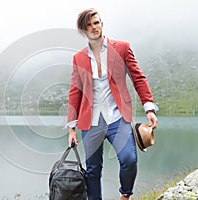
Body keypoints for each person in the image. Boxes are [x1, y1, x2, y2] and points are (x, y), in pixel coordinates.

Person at [66, 8, 159, 200]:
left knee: (129, 159)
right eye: (89, 25)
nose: (94, 28)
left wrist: (149, 107)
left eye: (96, 23)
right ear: (84, 30)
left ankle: (125, 194)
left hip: (118, 117)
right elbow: (75, 91)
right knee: (93, 170)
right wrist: (71, 128)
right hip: (90, 122)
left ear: (102, 23)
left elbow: (138, 77)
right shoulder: (79, 58)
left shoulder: (122, 48)